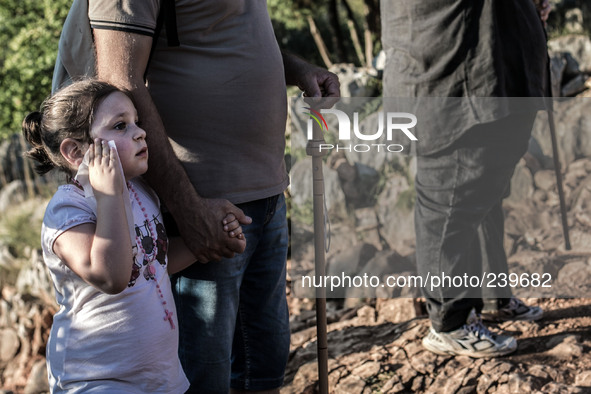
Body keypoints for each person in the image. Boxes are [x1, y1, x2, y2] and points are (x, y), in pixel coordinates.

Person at [50, 1, 340, 392]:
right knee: (206, 378)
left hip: (264, 193)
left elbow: (230, 29)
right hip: (198, 197)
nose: (135, 132)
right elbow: (120, 78)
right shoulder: (74, 211)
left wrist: (294, 68)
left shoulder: (141, 209)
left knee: (264, 367)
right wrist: (189, 210)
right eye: (123, 125)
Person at [23, 80, 242, 392]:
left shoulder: (141, 190)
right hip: (98, 380)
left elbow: (154, 263)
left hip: (160, 376)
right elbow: (111, 276)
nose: (140, 132)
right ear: (75, 151)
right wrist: (110, 195)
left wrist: (208, 242)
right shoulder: (68, 209)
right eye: (120, 126)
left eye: (137, 122)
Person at [381, 0, 550, 357]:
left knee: (484, 189)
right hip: (448, 71)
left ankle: (491, 294)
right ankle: (450, 322)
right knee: (449, 196)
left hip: (490, 62)